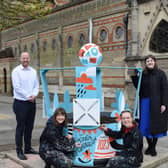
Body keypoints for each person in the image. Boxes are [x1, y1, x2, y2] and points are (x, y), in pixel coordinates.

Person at [131, 55, 168, 156]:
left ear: (155, 62)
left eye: (151, 60)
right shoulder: (143, 74)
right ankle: (150, 145)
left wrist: (164, 103)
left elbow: (165, 89)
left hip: (157, 103)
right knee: (145, 125)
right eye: (147, 61)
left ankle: (153, 147)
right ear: (146, 64)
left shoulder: (161, 74)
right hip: (145, 102)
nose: (150, 62)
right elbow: (137, 86)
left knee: (155, 125)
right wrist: (135, 74)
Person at [11, 52, 39, 160]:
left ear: (29, 59)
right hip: (20, 103)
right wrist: (29, 96)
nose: (25, 60)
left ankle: (28, 148)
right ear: (20, 59)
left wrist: (34, 95)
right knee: (21, 127)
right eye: (23, 58)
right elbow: (17, 87)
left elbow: (36, 85)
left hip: (32, 103)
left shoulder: (33, 71)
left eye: (27, 58)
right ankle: (19, 150)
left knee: (30, 127)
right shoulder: (16, 71)